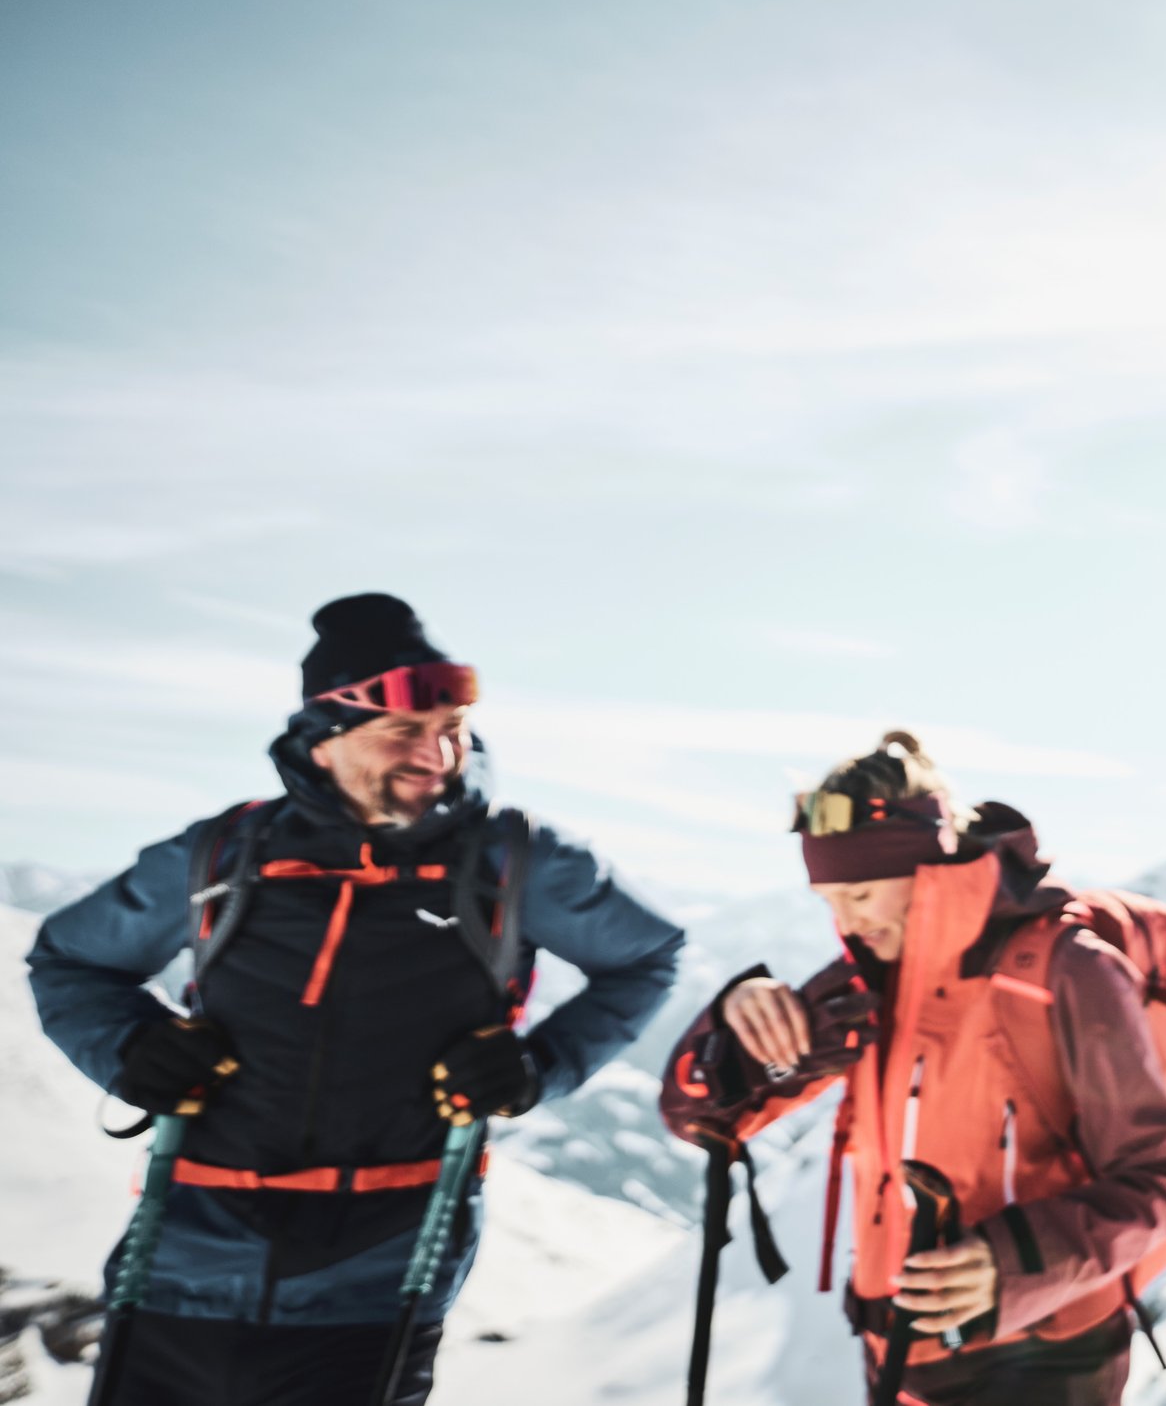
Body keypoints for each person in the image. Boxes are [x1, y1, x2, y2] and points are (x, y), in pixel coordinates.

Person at [26, 593, 685, 1405]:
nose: (438, 754)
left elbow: (649, 954)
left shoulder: (512, 859)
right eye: (405, 731)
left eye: (453, 728)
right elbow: (69, 959)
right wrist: (126, 1046)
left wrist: (536, 1065)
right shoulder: (227, 852)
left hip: (378, 1284)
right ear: (325, 736)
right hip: (181, 1263)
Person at [658, 731, 1166, 1406]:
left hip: (1047, 1353)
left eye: (859, 893)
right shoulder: (867, 983)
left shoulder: (1069, 968)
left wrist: (1011, 1263)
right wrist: (733, 1022)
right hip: (899, 1349)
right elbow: (696, 1118)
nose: (848, 923)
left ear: (925, 870)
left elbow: (1161, 1179)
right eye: (828, 900)